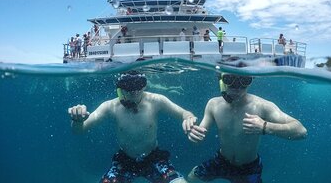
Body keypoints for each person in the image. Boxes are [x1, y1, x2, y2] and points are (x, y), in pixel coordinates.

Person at [68, 71, 196, 183]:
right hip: (125, 161)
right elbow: (79, 130)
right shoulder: (111, 107)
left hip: (153, 158)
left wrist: (189, 118)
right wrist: (77, 120)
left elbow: (184, 113)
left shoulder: (156, 101)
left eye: (139, 85)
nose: (134, 91)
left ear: (144, 84)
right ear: (120, 87)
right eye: (128, 86)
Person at [187, 70, 307, 183]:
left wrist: (265, 127)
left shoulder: (261, 106)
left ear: (251, 80)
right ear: (221, 79)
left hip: (249, 168)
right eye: (229, 79)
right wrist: (195, 134)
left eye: (244, 81)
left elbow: (301, 131)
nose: (237, 87)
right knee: (192, 177)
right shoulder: (213, 104)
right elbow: (201, 131)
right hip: (221, 161)